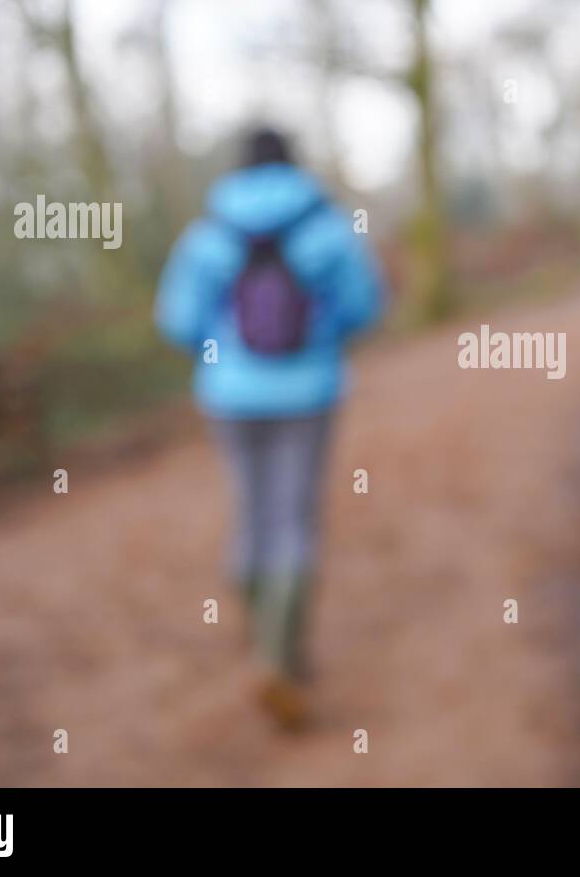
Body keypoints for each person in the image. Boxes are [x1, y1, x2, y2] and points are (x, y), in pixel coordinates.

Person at [155, 127, 384, 726]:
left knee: (251, 511)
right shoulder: (328, 229)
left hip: (230, 396)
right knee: (293, 518)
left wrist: (222, 346)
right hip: (309, 392)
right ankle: (278, 659)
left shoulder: (207, 236)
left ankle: (263, 644)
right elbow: (365, 306)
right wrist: (322, 331)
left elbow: (177, 321)